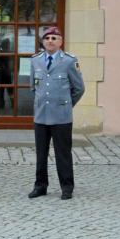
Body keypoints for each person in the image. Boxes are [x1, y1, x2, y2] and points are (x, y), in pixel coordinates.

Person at [28, 26, 85, 200]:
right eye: (47, 38)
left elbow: (79, 88)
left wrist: (66, 105)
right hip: (41, 115)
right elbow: (33, 87)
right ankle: (40, 186)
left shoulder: (68, 61)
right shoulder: (35, 60)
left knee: (63, 153)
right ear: (42, 42)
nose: (50, 41)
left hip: (61, 117)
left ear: (60, 42)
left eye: (54, 38)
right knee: (41, 154)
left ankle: (67, 187)